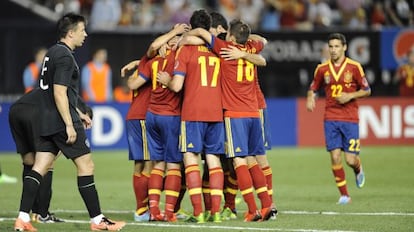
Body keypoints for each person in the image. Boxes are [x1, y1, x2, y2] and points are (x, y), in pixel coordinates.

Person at [13, 13, 125, 231]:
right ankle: (98, 220)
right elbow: (59, 92)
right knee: (86, 165)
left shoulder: (52, 53)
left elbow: (56, 91)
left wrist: (79, 112)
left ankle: (23, 218)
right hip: (60, 121)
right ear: (71, 32)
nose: (85, 34)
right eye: (82, 30)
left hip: (45, 119)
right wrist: (69, 123)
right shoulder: (65, 57)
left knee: (39, 167)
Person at [186, 19, 273, 222]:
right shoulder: (252, 47)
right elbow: (264, 46)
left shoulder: (224, 47)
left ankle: (252, 209)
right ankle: (267, 205)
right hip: (253, 112)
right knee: (252, 159)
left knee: (238, 160)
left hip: (235, 114)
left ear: (231, 36)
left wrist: (186, 35)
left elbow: (200, 31)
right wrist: (245, 49)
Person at [157, 9, 225, 223]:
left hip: (193, 111)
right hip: (216, 111)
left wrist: (166, 80)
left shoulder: (185, 50)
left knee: (191, 160)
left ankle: (198, 213)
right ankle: (215, 212)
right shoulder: (218, 49)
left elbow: (176, 86)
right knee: (214, 161)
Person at [306, 33, 370, 205]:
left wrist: (350, 95)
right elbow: (313, 86)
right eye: (331, 46)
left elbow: (366, 90)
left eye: (336, 46)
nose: (333, 50)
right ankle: (344, 195)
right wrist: (310, 97)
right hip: (331, 117)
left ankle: (358, 168)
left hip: (350, 118)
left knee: (350, 159)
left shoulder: (355, 67)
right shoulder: (322, 69)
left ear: (344, 47)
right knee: (335, 157)